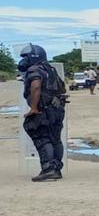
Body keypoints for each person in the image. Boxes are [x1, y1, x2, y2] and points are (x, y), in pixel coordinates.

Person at [18, 44, 67, 182]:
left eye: (25, 57)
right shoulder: (50, 69)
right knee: (55, 138)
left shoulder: (34, 70)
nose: (23, 60)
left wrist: (33, 108)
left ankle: (48, 168)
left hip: (44, 109)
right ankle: (56, 168)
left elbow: (36, 86)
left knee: (40, 134)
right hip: (57, 109)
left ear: (33, 56)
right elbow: (62, 88)